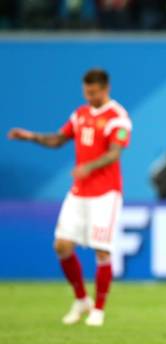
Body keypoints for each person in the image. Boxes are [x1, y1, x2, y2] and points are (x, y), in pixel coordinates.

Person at [7, 68, 131, 327]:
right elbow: (58, 140)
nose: (89, 97)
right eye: (86, 92)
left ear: (105, 88)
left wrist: (89, 166)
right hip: (79, 192)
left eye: (93, 92)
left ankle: (98, 309)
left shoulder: (118, 117)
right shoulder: (80, 114)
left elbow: (114, 153)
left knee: (101, 250)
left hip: (106, 193)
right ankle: (81, 299)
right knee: (62, 245)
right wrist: (31, 137)